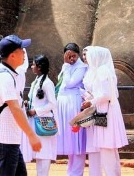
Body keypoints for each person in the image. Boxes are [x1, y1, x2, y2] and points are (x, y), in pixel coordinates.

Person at [0, 35, 41, 175]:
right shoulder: (4, 77)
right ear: (12, 56)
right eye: (21, 50)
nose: (24, 52)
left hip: (9, 141)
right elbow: (15, 109)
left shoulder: (8, 73)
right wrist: (32, 135)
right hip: (4, 142)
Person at [81, 46, 128, 176]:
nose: (87, 58)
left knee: (106, 146)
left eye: (89, 55)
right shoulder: (102, 70)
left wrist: (91, 101)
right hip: (103, 111)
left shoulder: (102, 71)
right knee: (108, 147)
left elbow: (105, 94)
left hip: (105, 111)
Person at [21, 55, 57, 176]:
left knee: (44, 153)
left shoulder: (47, 83)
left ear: (39, 67)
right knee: (38, 153)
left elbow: (53, 103)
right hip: (34, 122)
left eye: (33, 64)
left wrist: (36, 111)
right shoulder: (35, 82)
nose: (32, 66)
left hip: (43, 122)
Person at [55, 43, 87, 176]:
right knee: (70, 140)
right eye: (69, 56)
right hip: (65, 105)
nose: (72, 59)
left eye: (73, 56)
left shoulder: (81, 67)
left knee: (77, 139)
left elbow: (69, 83)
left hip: (74, 104)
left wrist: (66, 65)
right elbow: (61, 83)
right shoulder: (67, 66)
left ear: (78, 54)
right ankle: (71, 171)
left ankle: (77, 172)